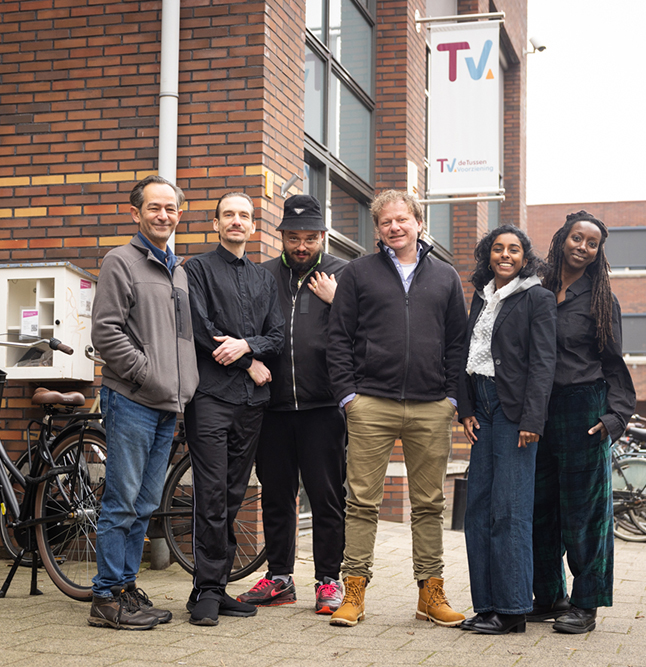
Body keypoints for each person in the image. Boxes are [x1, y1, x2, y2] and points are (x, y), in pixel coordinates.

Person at [326, 189, 468, 628]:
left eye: (402, 219)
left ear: (418, 222)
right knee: (361, 502)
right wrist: (349, 397)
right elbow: (339, 338)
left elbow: (458, 343)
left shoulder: (445, 277)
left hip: (431, 407)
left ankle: (431, 592)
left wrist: (451, 399)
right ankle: (354, 592)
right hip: (372, 402)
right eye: (386, 222)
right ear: (378, 229)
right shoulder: (357, 273)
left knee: (429, 504)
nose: (395, 227)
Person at [89, 175, 198, 630]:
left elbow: (181, 338)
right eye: (155, 207)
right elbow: (106, 331)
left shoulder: (178, 269)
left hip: (166, 406)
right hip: (132, 398)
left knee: (146, 503)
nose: (164, 215)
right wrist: (146, 373)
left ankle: (126, 588)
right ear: (136, 213)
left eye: (170, 208)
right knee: (121, 500)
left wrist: (182, 385)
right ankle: (105, 597)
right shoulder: (121, 261)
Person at [238, 194, 349, 613]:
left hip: (324, 407)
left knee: (326, 497)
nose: (301, 246)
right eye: (293, 238)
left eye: (309, 238)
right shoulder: (263, 275)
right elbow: (244, 329)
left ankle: (328, 580)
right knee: (276, 495)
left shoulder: (343, 274)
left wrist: (339, 301)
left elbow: (369, 330)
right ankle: (280, 577)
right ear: (281, 236)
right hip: (274, 406)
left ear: (323, 236)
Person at [530, 210, 636, 634]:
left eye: (592, 244)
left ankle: (586, 602)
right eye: (578, 238)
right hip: (539, 408)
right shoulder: (537, 287)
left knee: (584, 514)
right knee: (540, 509)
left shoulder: (601, 300)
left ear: (598, 253)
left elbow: (614, 364)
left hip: (583, 409)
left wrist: (614, 418)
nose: (583, 247)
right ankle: (549, 596)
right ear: (562, 238)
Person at [183, 192, 285, 626]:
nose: (237, 222)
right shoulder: (197, 270)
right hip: (210, 398)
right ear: (216, 223)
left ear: (253, 226)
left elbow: (278, 335)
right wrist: (247, 360)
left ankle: (218, 587)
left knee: (231, 495)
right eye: (229, 215)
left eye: (244, 216)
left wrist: (248, 345)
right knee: (209, 494)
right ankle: (204, 592)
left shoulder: (265, 279)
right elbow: (201, 329)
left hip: (251, 404)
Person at [457, 225, 557, 635]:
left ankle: (514, 610)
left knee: (510, 510)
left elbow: (543, 362)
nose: (505, 255)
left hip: (515, 411)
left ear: (524, 257)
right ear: (488, 255)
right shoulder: (480, 298)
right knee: (477, 508)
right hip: (481, 407)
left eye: (513, 250)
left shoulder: (537, 297)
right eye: (497, 248)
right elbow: (465, 353)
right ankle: (487, 606)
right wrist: (464, 408)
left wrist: (534, 420)